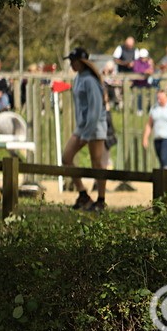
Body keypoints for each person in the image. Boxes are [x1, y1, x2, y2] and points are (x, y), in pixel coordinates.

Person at [62, 47, 109, 212]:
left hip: (95, 127)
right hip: (82, 127)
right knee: (66, 157)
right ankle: (83, 194)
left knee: (97, 163)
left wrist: (87, 134)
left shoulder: (90, 81)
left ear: (81, 62)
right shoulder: (78, 79)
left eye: (73, 61)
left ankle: (101, 200)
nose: (71, 64)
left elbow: (95, 110)